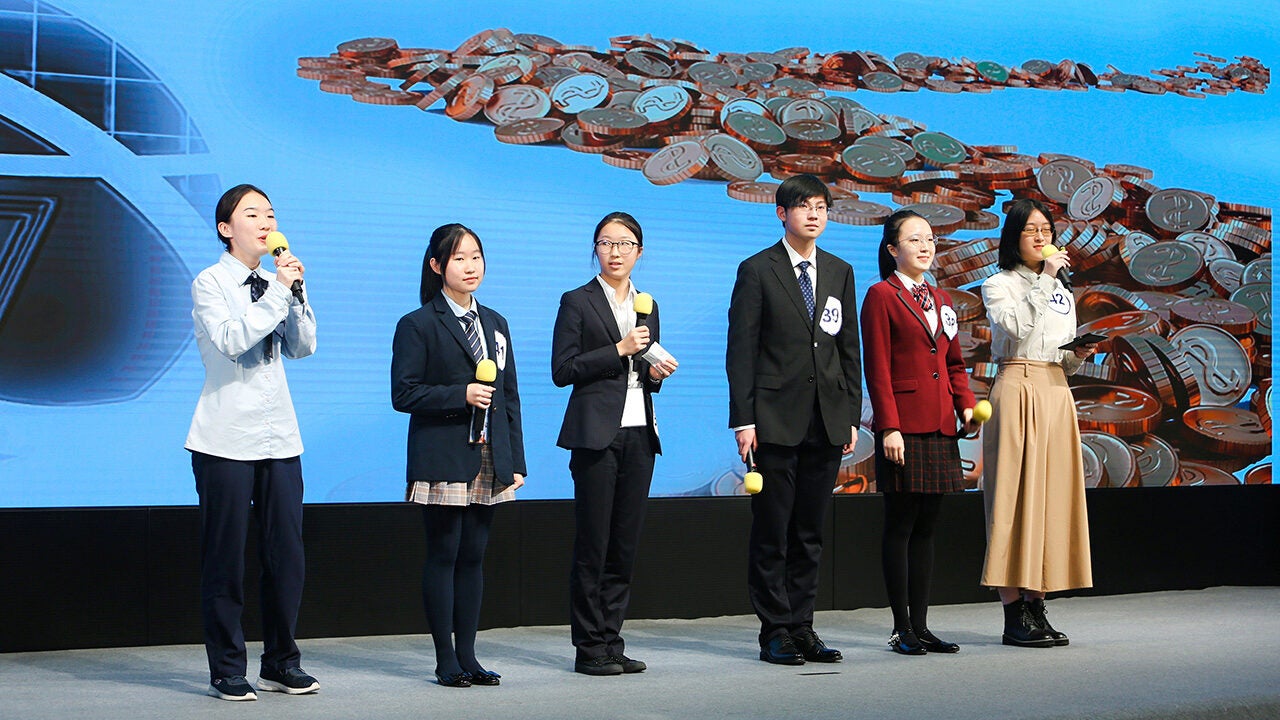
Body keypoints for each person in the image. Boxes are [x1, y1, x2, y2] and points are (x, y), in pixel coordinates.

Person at [186, 184, 319, 701]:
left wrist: (296, 293)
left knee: (286, 554)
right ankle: (226, 667)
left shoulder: (277, 279)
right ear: (226, 228)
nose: (266, 222)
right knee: (225, 556)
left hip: (280, 436)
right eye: (252, 214)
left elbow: (303, 347)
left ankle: (282, 661)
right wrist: (280, 295)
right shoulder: (210, 282)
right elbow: (232, 339)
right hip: (224, 437)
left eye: (271, 214)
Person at [726, 173, 862, 665]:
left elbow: (849, 349)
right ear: (781, 213)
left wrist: (850, 414)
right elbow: (741, 351)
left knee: (809, 531)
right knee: (773, 530)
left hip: (826, 419)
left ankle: (803, 626)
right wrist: (743, 419)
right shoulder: (757, 270)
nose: (814, 214)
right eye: (804, 206)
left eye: (822, 207)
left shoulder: (840, 271)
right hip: (772, 420)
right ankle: (775, 631)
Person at [391, 223, 526, 687]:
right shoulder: (419, 323)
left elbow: (509, 397)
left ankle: (470, 656)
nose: (470, 267)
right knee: (444, 553)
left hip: (491, 455)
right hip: (443, 454)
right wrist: (460, 394)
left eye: (476, 257)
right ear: (437, 266)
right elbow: (404, 394)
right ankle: (444, 657)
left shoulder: (496, 323)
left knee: (474, 556)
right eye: (459, 258)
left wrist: (517, 462)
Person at [552, 212, 679, 676]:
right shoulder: (577, 301)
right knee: (594, 543)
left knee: (624, 545)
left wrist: (655, 372)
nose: (616, 252)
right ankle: (589, 648)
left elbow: (645, 371)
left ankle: (612, 639)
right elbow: (562, 369)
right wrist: (620, 350)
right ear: (595, 250)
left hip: (640, 434)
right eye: (606, 243)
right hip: (594, 436)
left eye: (625, 244)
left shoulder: (648, 305)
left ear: (639, 252)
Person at [861, 210, 978, 655]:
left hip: (941, 425)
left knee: (927, 529)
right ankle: (900, 627)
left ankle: (923, 626)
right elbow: (878, 368)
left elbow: (953, 364)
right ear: (893, 249)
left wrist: (966, 406)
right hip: (903, 427)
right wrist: (888, 425)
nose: (926, 246)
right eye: (914, 239)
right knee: (901, 525)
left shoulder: (942, 299)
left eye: (929, 238)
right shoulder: (880, 295)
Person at [980, 198, 1096, 647]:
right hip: (1018, 384)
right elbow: (1015, 328)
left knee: (1051, 498)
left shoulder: (1064, 293)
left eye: (1046, 229)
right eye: (1031, 230)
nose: (1041, 237)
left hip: (1054, 389)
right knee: (1012, 498)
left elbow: (1060, 354)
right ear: (1014, 237)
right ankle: (1013, 614)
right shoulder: (999, 284)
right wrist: (1046, 280)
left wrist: (1077, 354)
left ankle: (1037, 604)